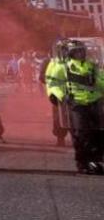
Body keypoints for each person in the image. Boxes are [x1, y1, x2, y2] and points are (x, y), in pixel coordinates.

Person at [46, 40, 104, 174]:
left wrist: (98, 83)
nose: (80, 54)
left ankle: (96, 160)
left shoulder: (92, 66)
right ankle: (82, 162)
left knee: (99, 132)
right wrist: (59, 95)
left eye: (81, 51)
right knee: (81, 133)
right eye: (76, 51)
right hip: (76, 104)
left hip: (95, 102)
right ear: (71, 53)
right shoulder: (63, 67)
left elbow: (101, 81)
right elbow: (53, 83)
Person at [41, 44, 68, 147]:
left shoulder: (71, 61)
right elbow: (42, 77)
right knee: (59, 116)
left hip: (75, 93)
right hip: (58, 93)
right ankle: (60, 138)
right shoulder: (49, 62)